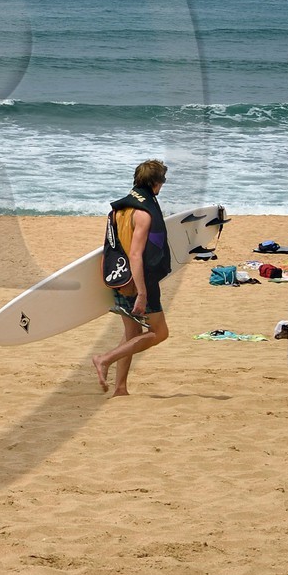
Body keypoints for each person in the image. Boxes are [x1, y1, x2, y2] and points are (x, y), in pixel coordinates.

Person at [91, 160, 171, 397]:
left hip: (118, 276)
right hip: (138, 281)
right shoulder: (143, 215)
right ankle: (104, 359)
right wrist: (143, 292)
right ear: (155, 183)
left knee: (131, 333)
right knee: (160, 332)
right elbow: (136, 254)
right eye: (162, 181)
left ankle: (120, 388)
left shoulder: (118, 211)